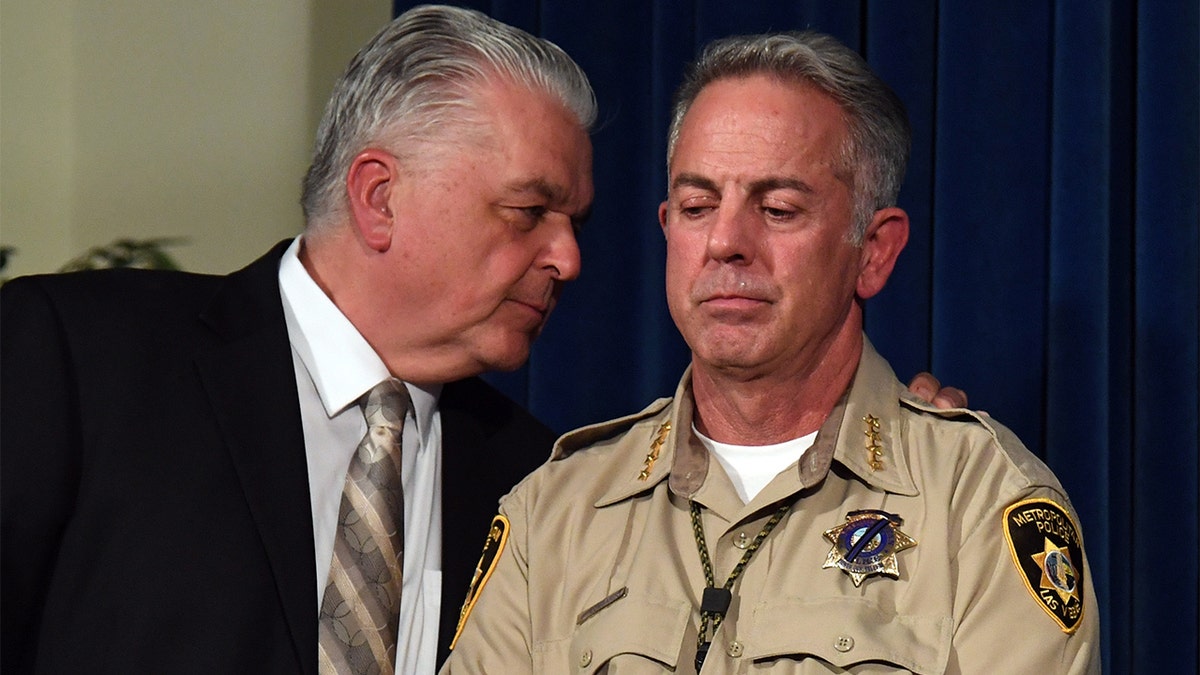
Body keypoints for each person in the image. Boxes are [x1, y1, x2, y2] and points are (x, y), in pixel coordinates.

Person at [0, 7, 960, 674]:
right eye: (532, 210)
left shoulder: (538, 480)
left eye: (574, 218)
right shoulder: (74, 363)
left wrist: (870, 471)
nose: (570, 258)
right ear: (381, 197)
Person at [443, 30, 1099, 674]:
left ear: (873, 252)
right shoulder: (553, 512)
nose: (726, 241)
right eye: (699, 206)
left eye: (779, 209)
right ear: (667, 229)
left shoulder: (978, 507)